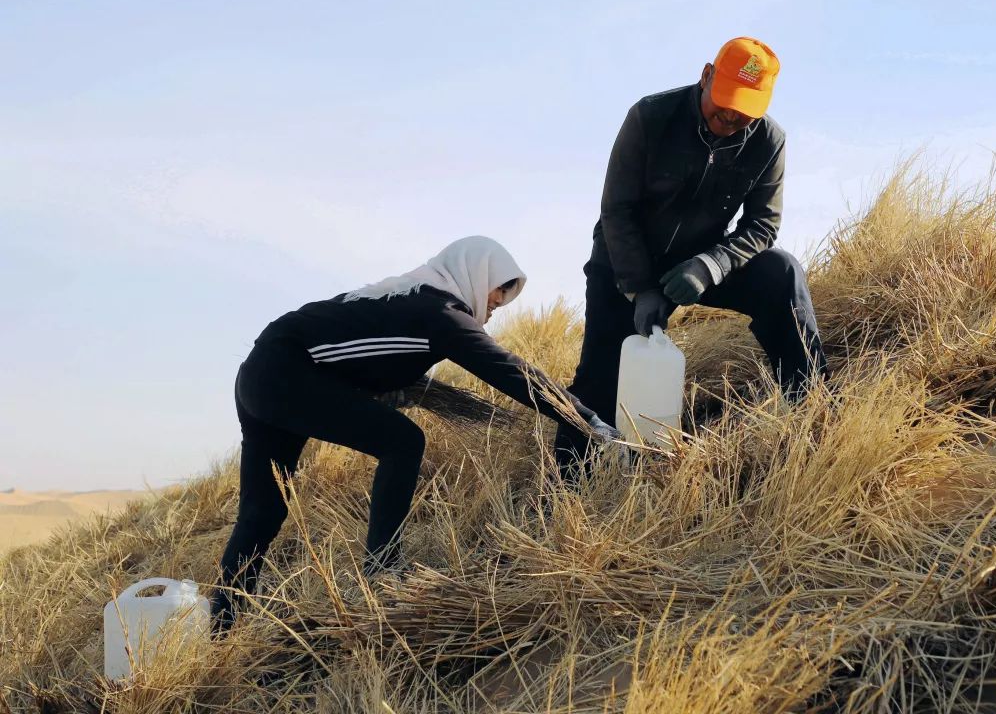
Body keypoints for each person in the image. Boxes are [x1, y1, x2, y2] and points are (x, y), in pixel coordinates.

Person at [211, 236, 622, 631]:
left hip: (262, 373)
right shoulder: (441, 314)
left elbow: (345, 350)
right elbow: (513, 373)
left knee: (262, 512)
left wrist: (381, 387)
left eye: (507, 294)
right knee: (402, 441)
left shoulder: (411, 297)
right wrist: (587, 419)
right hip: (282, 373)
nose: (498, 302)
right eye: (498, 288)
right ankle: (384, 569)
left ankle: (221, 626)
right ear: (473, 273)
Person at [554, 37, 827, 477]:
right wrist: (640, 288)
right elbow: (616, 209)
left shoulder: (768, 141)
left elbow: (763, 225)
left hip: (699, 263)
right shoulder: (649, 117)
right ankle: (565, 490)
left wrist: (710, 266)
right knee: (600, 380)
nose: (732, 116)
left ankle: (814, 418)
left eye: (746, 109)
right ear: (706, 76)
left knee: (781, 273)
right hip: (622, 262)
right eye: (725, 101)